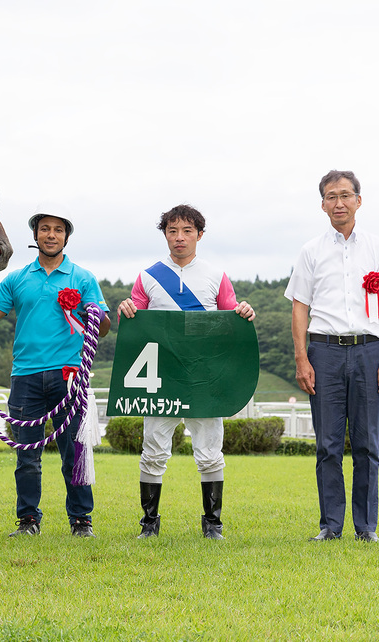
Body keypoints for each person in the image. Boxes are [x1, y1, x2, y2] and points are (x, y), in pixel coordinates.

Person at [0, 206, 111, 537]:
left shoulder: (82, 278)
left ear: (66, 237)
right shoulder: (17, 279)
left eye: (58, 230)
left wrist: (94, 312)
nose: (51, 235)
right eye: (45, 229)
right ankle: (28, 521)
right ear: (35, 235)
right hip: (25, 377)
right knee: (27, 458)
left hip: (69, 376)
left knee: (75, 454)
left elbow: (105, 327)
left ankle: (82, 521)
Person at [118, 204, 255, 540]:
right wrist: (126, 310)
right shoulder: (147, 276)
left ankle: (213, 525)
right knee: (152, 449)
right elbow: (135, 324)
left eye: (187, 231)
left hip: (204, 379)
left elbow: (230, 322)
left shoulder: (216, 275)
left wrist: (243, 312)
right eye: (172, 231)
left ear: (199, 235)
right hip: (161, 377)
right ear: (165, 234)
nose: (179, 238)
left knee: (210, 452)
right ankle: (149, 525)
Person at [285, 170, 379, 544]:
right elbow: (300, 309)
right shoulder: (310, 251)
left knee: (368, 442)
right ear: (322, 204)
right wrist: (302, 359)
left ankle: (366, 527)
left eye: (345, 195)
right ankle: (331, 525)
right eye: (331, 197)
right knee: (328, 444)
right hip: (324, 352)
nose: (339, 203)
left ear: (358, 200)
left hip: (371, 352)